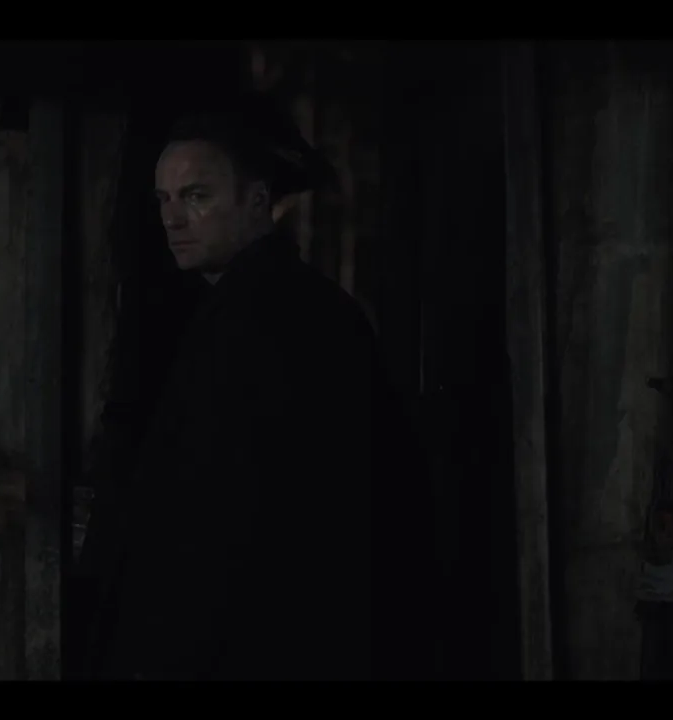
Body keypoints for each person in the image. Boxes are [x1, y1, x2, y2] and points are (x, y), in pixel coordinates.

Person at [75, 96, 434, 681]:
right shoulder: (236, 310)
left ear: (258, 199)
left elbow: (244, 519)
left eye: (197, 196)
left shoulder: (279, 317)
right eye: (164, 199)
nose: (173, 219)